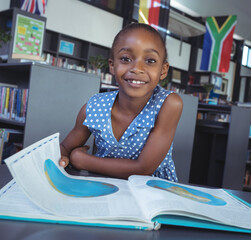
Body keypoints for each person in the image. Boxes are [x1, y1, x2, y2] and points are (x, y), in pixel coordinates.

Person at [59, 23, 183, 182]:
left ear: (163, 70)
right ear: (112, 65)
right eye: (126, 59)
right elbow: (65, 148)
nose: (137, 69)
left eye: (150, 60)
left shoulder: (169, 104)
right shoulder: (94, 107)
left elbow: (143, 168)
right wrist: (64, 157)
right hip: (105, 189)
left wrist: (81, 160)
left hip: (153, 194)